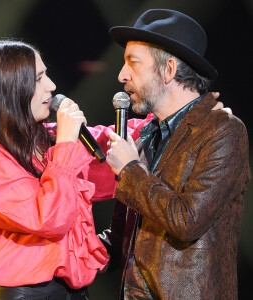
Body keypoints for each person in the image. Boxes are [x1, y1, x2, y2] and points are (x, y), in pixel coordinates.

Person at [98, 9, 251, 300]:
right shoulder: (145, 137)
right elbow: (123, 237)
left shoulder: (224, 131)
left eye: (133, 63)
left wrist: (131, 169)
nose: (121, 75)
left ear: (168, 70)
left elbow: (187, 220)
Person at [0, 40, 110, 299]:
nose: (52, 86)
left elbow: (106, 159)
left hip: (71, 291)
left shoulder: (43, 141)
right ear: (9, 88)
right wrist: (67, 145)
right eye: (38, 79)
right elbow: (49, 217)